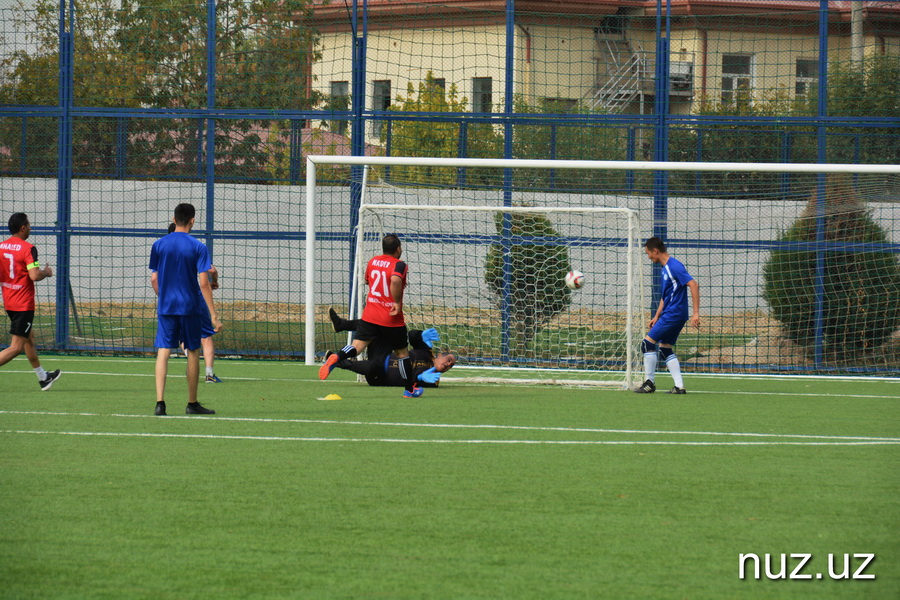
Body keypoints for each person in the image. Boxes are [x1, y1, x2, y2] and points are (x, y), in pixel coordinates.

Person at [319, 234, 420, 397]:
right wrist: (397, 302)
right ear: (398, 249)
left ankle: (337, 356)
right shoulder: (400, 265)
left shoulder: (373, 261)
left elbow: (368, 281)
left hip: (370, 315)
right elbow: (395, 281)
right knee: (402, 354)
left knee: (356, 346)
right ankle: (409, 390)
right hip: (391, 318)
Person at [150, 203, 222, 416]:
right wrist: (214, 315)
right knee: (192, 351)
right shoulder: (198, 246)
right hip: (189, 306)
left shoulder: (158, 244)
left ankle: (160, 403)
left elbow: (154, 277)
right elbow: (203, 283)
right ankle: (192, 404)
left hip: (166, 306)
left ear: (174, 219)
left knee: (163, 351)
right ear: (192, 220)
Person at [0, 213, 61, 390]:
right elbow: (34, 275)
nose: (31, 228)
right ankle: (43, 377)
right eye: (29, 225)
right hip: (23, 304)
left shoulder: (1, 247)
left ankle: (43, 378)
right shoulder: (28, 248)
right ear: (23, 228)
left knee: (29, 340)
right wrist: (46, 272)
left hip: (10, 302)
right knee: (16, 347)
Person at [634, 236, 700, 394]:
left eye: (648, 253)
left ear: (655, 251)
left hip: (674, 314)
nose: (648, 256)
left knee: (647, 344)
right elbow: (666, 296)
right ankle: (679, 387)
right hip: (672, 314)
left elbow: (693, 284)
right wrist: (657, 316)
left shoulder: (674, 266)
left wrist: (696, 313)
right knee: (665, 348)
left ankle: (649, 383)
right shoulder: (665, 269)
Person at [327, 308, 456, 388]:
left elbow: (412, 382)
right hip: (382, 354)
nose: (448, 364)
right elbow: (411, 336)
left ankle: (337, 362)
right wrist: (420, 334)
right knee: (379, 324)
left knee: (375, 365)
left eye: (451, 366)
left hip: (380, 376)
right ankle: (341, 325)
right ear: (440, 355)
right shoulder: (427, 352)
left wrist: (420, 378)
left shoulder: (433, 379)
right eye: (449, 359)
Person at [168, 223, 222, 383]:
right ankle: (209, 374)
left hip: (174, 298)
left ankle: (192, 363)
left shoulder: (163, 249)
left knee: (181, 336)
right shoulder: (193, 247)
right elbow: (211, 270)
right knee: (205, 336)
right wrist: (215, 281)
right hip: (195, 297)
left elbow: (155, 278)